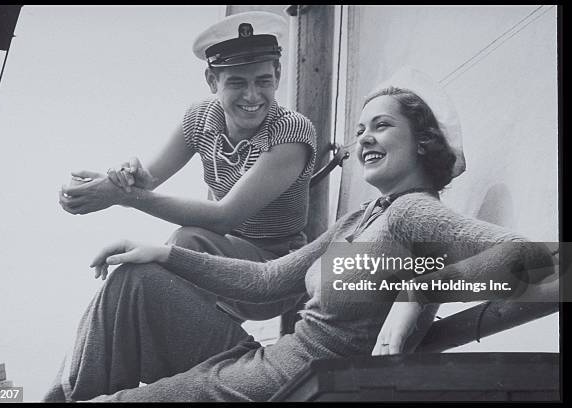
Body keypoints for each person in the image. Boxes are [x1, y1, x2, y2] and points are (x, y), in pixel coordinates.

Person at [45, 67, 554, 402]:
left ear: (423, 143)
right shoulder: (363, 217)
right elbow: (267, 280)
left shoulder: (413, 212)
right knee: (138, 277)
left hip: (289, 382)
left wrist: (420, 285)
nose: (364, 140)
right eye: (358, 131)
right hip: (263, 360)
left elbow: (540, 265)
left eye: (382, 127)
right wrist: (161, 253)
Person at [56, 11, 317, 325]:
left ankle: (196, 348)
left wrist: (121, 196)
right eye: (236, 82)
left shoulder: (292, 132)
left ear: (277, 73)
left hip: (275, 272)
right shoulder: (200, 117)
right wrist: (112, 182)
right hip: (220, 261)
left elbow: (225, 216)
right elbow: (148, 179)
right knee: (155, 269)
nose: (252, 95)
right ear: (211, 81)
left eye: (263, 80)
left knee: (187, 242)